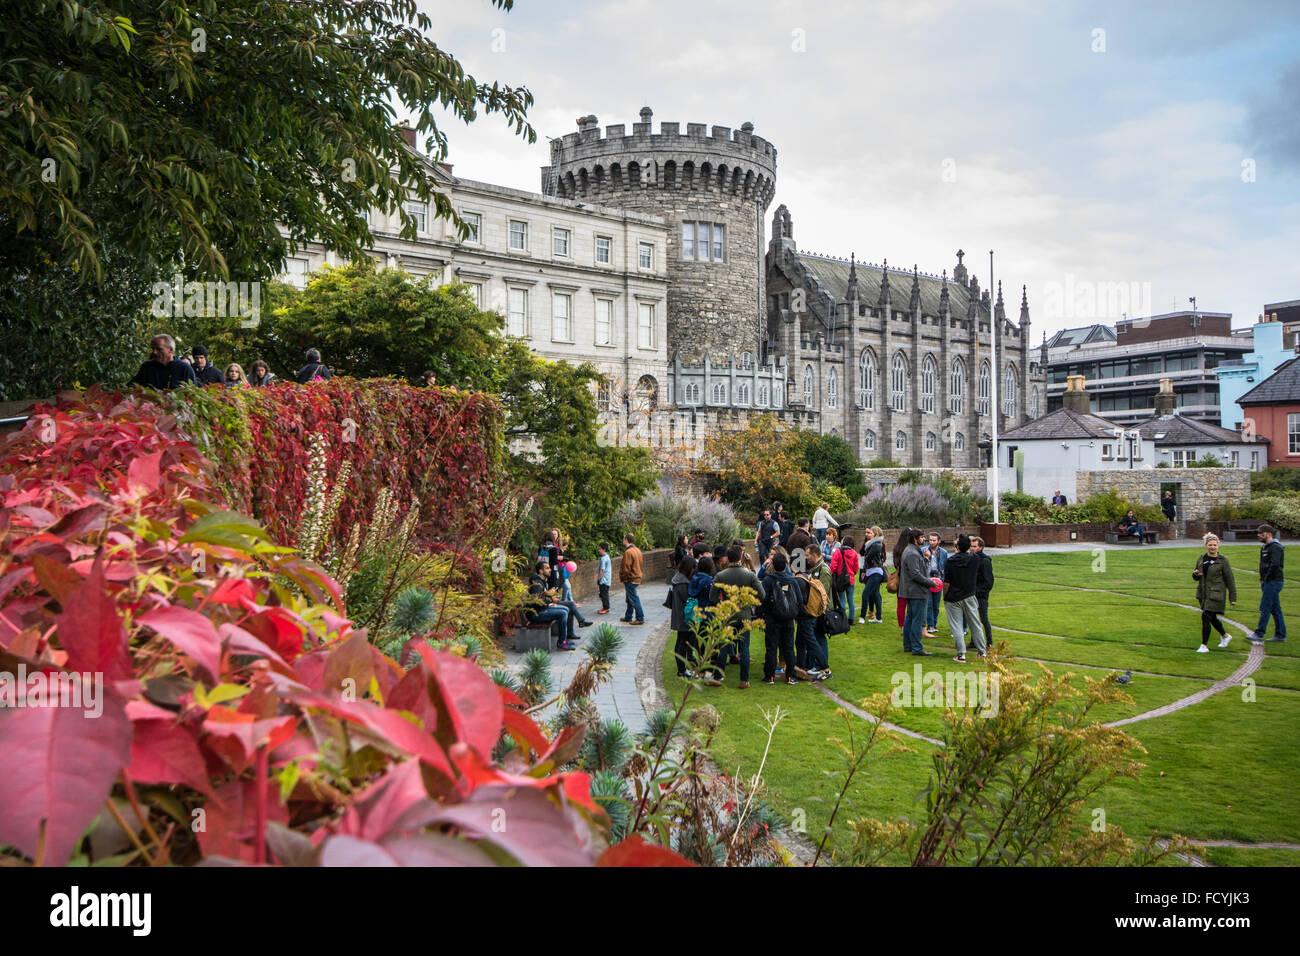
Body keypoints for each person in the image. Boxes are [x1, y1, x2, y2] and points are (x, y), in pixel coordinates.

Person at [711, 545, 765, 690]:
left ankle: (718, 677)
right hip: (745, 615)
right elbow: (762, 594)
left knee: (723, 646)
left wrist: (722, 604)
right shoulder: (749, 575)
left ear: (728, 558)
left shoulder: (721, 575)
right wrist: (749, 601)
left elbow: (712, 596)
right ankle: (744, 680)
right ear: (740, 557)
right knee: (744, 648)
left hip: (728, 615)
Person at [758, 551, 799, 685]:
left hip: (772, 618)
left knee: (771, 647)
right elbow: (799, 598)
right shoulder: (792, 580)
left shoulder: (768, 581)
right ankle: (790, 676)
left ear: (773, 565)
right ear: (786, 565)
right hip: (788, 619)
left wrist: (761, 615)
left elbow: (762, 600)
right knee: (788, 647)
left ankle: (769, 676)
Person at [794, 541, 834, 680]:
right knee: (810, 637)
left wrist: (821, 610)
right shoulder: (813, 569)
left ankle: (822, 665)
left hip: (820, 610)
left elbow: (823, 592)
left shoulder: (824, 570)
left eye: (807, 555)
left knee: (818, 637)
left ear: (815, 555)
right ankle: (810, 665)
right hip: (813, 609)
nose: (805, 558)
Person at [943, 535, 986, 662]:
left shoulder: (951, 561)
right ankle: (982, 651)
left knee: (956, 626)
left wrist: (945, 596)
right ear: (969, 547)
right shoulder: (975, 559)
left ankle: (961, 654)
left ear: (957, 547)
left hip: (953, 597)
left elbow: (947, 582)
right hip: (969, 595)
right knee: (975, 624)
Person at [1193, 533, 1236, 652]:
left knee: (1205, 616)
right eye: (1210, 545)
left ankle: (1204, 645)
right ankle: (1225, 636)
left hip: (1216, 594)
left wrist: (1233, 598)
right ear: (1205, 545)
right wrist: (1195, 574)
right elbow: (1196, 577)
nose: (1212, 547)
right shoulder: (1201, 558)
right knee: (1211, 617)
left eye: (1215, 545)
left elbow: (1230, 579)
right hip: (1203, 594)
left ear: (1218, 546)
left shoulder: (1223, 561)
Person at [524, 561, 577, 650]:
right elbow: (535, 602)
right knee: (563, 613)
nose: (550, 570)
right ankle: (561, 643)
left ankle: (563, 638)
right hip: (535, 614)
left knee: (566, 609)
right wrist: (551, 600)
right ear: (541, 571)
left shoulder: (542, 581)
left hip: (541, 609)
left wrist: (551, 597)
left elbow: (542, 597)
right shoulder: (537, 584)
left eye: (549, 567)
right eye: (547, 568)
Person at [899, 528, 935, 656]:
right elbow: (915, 574)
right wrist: (931, 582)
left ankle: (908, 645)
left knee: (910, 618)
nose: (924, 539)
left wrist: (925, 558)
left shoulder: (911, 551)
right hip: (916, 591)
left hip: (911, 590)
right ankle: (916, 647)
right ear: (915, 539)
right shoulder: (912, 553)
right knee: (917, 620)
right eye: (921, 537)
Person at [1248, 524, 1286, 643]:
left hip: (1273, 582)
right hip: (1268, 581)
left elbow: (1275, 565)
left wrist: (1267, 578)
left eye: (1260, 533)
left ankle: (1259, 633)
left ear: (1268, 534)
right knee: (1275, 609)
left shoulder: (1275, 547)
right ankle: (1280, 635)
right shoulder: (1265, 547)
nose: (1258, 536)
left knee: (1265, 607)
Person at [666, 556, 698, 677]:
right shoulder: (683, 583)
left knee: (681, 641)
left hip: (680, 615)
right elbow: (688, 599)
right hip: (684, 616)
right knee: (682, 643)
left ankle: (682, 668)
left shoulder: (678, 579)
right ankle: (681, 669)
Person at [130, 334, 197, 390]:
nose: (154, 352)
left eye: (159, 349)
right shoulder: (147, 367)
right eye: (153, 349)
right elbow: (132, 386)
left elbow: (193, 394)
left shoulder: (184, 369)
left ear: (170, 350)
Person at [922, 532, 948, 638]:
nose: (932, 542)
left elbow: (944, 565)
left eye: (934, 540)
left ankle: (934, 624)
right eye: (930, 540)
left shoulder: (943, 552)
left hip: (938, 579)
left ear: (939, 541)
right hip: (928, 578)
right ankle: (930, 625)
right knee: (929, 603)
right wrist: (927, 557)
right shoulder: (923, 550)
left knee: (936, 604)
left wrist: (943, 577)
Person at [971, 535, 995, 648]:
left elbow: (988, 581)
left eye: (974, 546)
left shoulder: (985, 561)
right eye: (971, 546)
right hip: (972, 593)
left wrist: (979, 591)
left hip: (981, 595)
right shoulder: (973, 558)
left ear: (980, 547)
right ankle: (974, 641)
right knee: (973, 618)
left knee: (984, 618)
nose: (972, 548)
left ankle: (989, 643)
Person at [859, 526, 885, 624]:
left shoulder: (876, 545)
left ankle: (862, 617)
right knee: (875, 594)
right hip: (872, 571)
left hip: (875, 571)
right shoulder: (871, 544)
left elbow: (868, 558)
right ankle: (878, 618)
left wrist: (864, 571)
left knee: (865, 593)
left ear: (875, 533)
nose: (868, 534)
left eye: (871, 532)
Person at [831, 533, 858, 623]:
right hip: (850, 579)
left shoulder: (838, 552)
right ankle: (851, 618)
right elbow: (856, 568)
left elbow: (833, 566)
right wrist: (851, 573)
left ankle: (843, 618)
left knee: (842, 599)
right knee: (850, 599)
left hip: (840, 579)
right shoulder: (854, 553)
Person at [619, 533, 645, 625]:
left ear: (626, 540)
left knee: (634, 598)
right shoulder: (637, 550)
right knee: (629, 597)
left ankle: (640, 618)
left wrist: (623, 577)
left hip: (630, 578)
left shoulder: (628, 552)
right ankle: (628, 616)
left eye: (623, 538)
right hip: (637, 576)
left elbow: (626, 567)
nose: (623, 540)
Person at [891, 532, 910, 633]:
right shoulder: (910, 550)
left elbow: (895, 564)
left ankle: (902, 626)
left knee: (901, 604)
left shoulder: (897, 548)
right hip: (908, 579)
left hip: (900, 578)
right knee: (911, 603)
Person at [596, 542, 612, 614]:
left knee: (604, 594)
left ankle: (606, 608)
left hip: (604, 580)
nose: (599, 550)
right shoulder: (607, 557)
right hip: (607, 579)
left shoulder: (603, 559)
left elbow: (602, 570)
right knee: (604, 594)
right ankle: (605, 607)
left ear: (604, 549)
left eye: (600, 549)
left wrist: (599, 579)